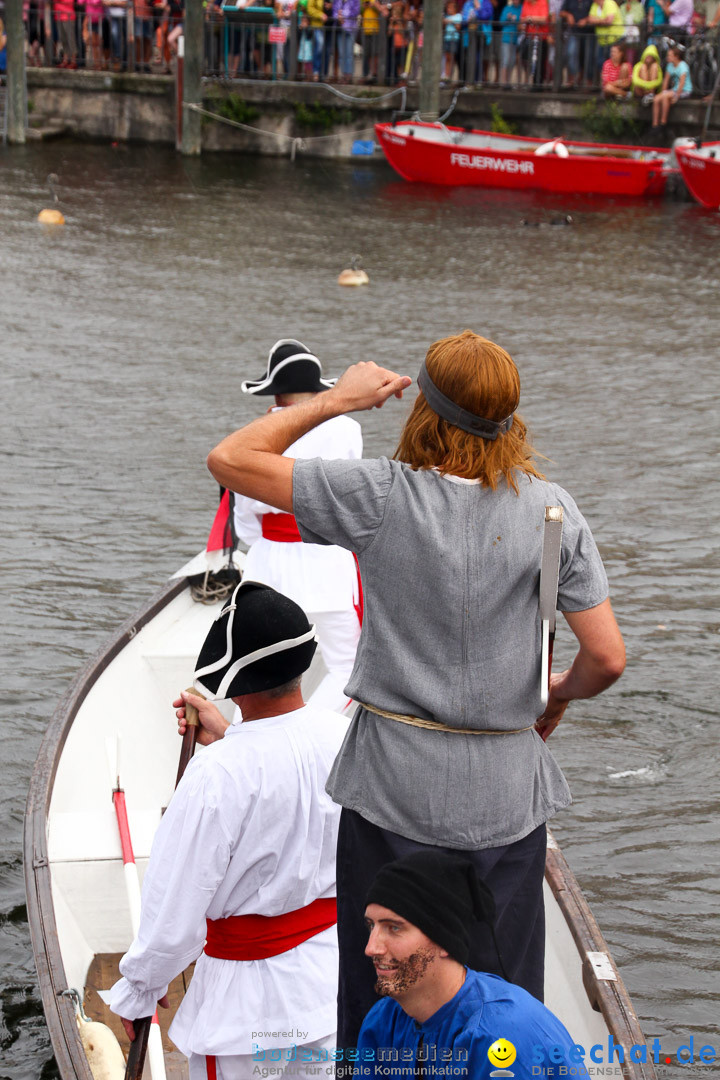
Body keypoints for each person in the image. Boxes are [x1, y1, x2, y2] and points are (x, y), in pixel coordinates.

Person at [205, 332, 626, 1057]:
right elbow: (608, 658)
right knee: (503, 1001)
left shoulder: (380, 496)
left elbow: (232, 460)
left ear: (422, 413)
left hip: (393, 792)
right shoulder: (553, 512)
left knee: (384, 996)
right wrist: (555, 694)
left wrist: (338, 399)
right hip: (505, 796)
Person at [108, 580, 350, 1080]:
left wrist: (138, 994)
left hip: (247, 1008)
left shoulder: (217, 773)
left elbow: (172, 913)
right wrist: (231, 735)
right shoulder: (343, 736)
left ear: (233, 680)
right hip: (330, 984)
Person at [356, 852, 590, 1079]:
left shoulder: (497, 1039)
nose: (371, 948)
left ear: (444, 941)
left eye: (394, 928)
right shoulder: (384, 1021)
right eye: (371, 926)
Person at [233, 339, 363, 715]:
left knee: (264, 668)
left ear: (274, 392)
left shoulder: (254, 435)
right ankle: (311, 727)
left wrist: (276, 544)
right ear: (318, 388)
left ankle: (261, 732)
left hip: (268, 566)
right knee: (349, 667)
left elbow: (245, 525)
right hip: (328, 564)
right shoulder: (347, 429)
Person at [652, 42, 693, 127]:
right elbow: (666, 80)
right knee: (656, 99)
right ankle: (655, 124)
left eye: (670, 56)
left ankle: (663, 122)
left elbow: (682, 82)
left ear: (676, 57)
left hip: (684, 90)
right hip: (674, 89)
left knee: (665, 96)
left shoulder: (683, 66)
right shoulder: (670, 65)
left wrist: (677, 96)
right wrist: (663, 92)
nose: (668, 57)